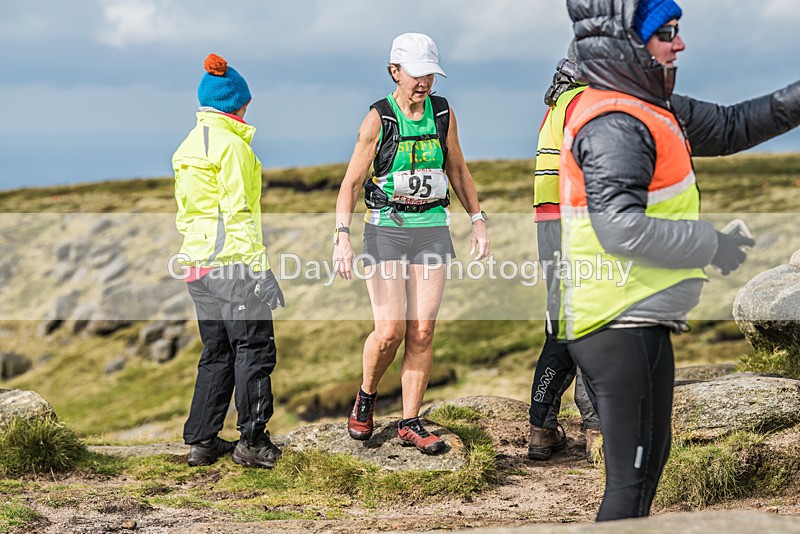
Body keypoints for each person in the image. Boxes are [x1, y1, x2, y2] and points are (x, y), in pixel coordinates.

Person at [561, 0, 800, 521]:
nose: (680, 43)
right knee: (629, 486)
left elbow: (734, 125)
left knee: (645, 472)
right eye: (667, 32)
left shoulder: (651, 105)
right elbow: (619, 227)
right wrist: (709, 244)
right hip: (617, 317)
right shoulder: (617, 122)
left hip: (636, 316)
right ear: (627, 43)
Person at [333, 33, 490, 454]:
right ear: (395, 72)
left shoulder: (442, 112)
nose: (423, 83)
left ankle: (410, 422)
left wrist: (477, 220)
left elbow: (457, 168)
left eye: (430, 75)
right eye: (416, 74)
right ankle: (366, 397)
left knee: (421, 330)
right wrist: (342, 238)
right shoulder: (378, 119)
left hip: (433, 228)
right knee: (390, 330)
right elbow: (349, 185)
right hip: (386, 229)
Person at [173, 53, 285, 469]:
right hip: (232, 266)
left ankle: (202, 441)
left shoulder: (186, 147)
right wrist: (261, 269)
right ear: (234, 104)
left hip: (197, 266)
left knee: (217, 350)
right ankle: (253, 442)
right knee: (254, 348)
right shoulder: (233, 147)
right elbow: (239, 214)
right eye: (246, 102)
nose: (248, 108)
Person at [528, 50, 602, 463]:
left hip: (551, 224)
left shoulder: (557, 105)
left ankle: (541, 427)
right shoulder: (586, 102)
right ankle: (596, 429)